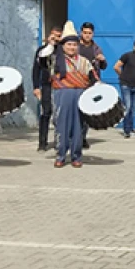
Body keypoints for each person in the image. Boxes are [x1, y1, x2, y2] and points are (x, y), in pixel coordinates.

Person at [50, 21, 96, 168]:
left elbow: (93, 77)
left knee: (78, 126)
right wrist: (51, 44)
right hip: (62, 94)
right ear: (63, 46)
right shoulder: (55, 59)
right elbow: (41, 57)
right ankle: (61, 155)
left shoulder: (84, 61)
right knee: (61, 125)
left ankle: (76, 156)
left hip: (80, 95)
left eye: (74, 45)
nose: (72, 47)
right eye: (69, 44)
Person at [77, 22, 107, 148]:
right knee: (75, 111)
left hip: (91, 84)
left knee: (87, 112)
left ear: (93, 34)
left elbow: (104, 67)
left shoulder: (96, 48)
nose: (87, 35)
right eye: (85, 32)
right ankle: (74, 136)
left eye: (89, 33)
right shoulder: (76, 47)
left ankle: (82, 137)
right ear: (81, 33)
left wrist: (103, 60)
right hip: (77, 82)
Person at [33, 25, 61, 151]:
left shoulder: (62, 50)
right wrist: (36, 86)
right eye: (54, 35)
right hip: (46, 84)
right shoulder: (42, 50)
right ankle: (42, 142)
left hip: (60, 85)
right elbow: (36, 69)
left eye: (58, 36)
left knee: (59, 113)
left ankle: (59, 141)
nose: (56, 38)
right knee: (46, 112)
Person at [115, 39, 135, 139]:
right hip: (126, 85)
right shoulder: (127, 55)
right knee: (127, 107)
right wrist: (122, 75)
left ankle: (131, 128)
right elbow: (116, 67)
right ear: (134, 47)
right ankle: (126, 130)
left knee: (133, 108)